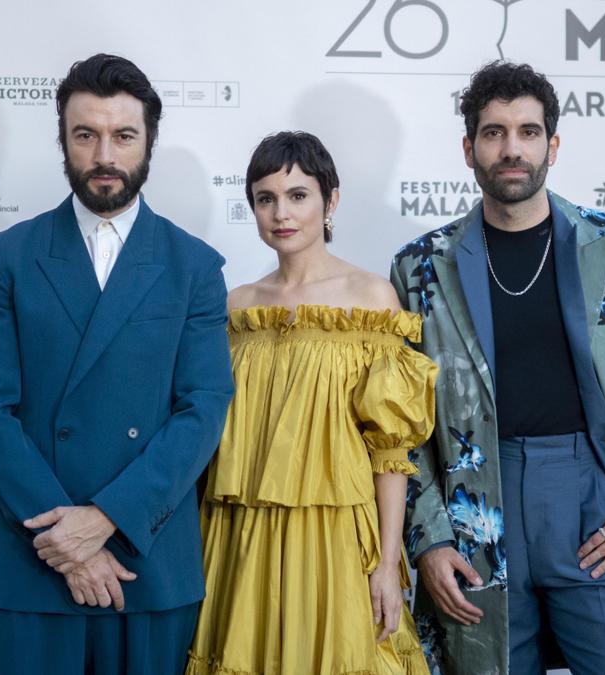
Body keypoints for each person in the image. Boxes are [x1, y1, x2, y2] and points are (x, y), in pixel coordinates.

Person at [390, 62, 605, 675]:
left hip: (594, 496)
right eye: (494, 132)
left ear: (552, 146)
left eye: (528, 132)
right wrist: (429, 537)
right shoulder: (421, 267)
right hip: (474, 507)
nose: (512, 149)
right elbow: (403, 427)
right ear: (468, 148)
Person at [0, 53, 234, 675]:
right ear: (63, 140)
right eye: (86, 135)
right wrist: (67, 544)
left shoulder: (195, 267)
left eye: (123, 135)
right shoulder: (6, 257)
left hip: (146, 561)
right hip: (34, 559)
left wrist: (107, 519)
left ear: (148, 143)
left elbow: (203, 409)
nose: (104, 153)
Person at [185, 131, 436, 675]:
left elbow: (390, 451)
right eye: (266, 198)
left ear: (331, 202)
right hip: (240, 536)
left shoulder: (371, 299)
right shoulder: (236, 308)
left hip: (337, 537)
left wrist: (388, 564)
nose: (282, 213)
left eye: (299, 195)